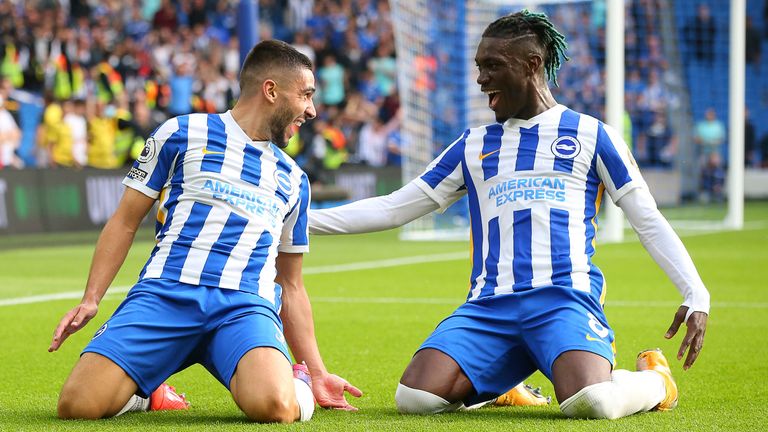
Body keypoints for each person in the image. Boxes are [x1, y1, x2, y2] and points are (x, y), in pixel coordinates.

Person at [309, 11, 709, 419]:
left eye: (493, 66)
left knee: (593, 401)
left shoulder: (592, 135)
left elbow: (648, 219)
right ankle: (506, 384)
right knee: (415, 398)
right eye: (480, 67)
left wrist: (695, 292)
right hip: (489, 307)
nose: (481, 79)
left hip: (563, 300)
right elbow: (393, 208)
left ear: (532, 65)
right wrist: (298, 218)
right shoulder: (473, 145)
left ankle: (656, 380)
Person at [48, 40, 361, 423]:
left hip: (244, 307)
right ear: (271, 90)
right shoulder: (181, 133)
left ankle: (291, 381)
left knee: (276, 408)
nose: (311, 110)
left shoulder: (295, 180)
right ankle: (148, 392)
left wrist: (315, 371)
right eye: (306, 95)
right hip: (165, 294)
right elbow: (124, 220)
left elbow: (290, 284)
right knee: (78, 406)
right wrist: (91, 298)